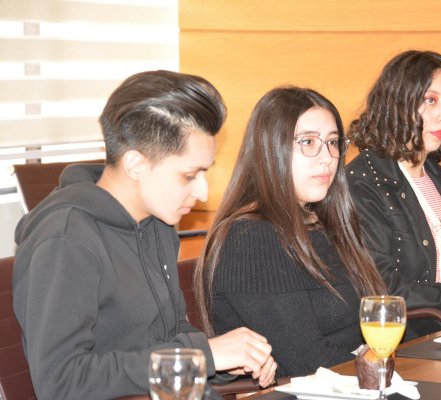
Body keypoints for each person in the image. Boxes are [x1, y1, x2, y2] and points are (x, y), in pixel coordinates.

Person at [12, 70, 276, 400]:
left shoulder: (156, 224)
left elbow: (167, 336)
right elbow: (61, 382)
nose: (203, 192)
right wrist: (203, 356)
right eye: (189, 175)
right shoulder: (65, 239)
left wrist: (225, 360)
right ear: (136, 165)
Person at [196, 86, 388, 377]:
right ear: (270, 149)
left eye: (333, 142)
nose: (327, 157)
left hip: (360, 380)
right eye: (308, 142)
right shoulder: (251, 238)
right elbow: (308, 363)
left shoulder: (324, 222)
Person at [346, 50, 441, 340]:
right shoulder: (363, 182)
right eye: (430, 100)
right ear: (396, 102)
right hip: (428, 339)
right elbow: (385, 289)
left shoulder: (437, 177)